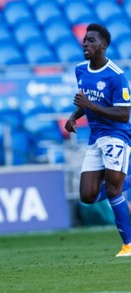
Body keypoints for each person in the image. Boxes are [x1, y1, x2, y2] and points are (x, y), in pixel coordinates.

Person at [64, 23, 131, 257]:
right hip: (95, 138)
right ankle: (127, 181)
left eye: (91, 40)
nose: (85, 43)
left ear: (103, 45)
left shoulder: (116, 76)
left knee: (113, 190)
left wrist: (89, 106)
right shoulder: (80, 70)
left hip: (117, 136)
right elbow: (85, 101)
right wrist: (74, 117)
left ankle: (128, 245)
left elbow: (124, 114)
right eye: (84, 40)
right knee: (87, 196)